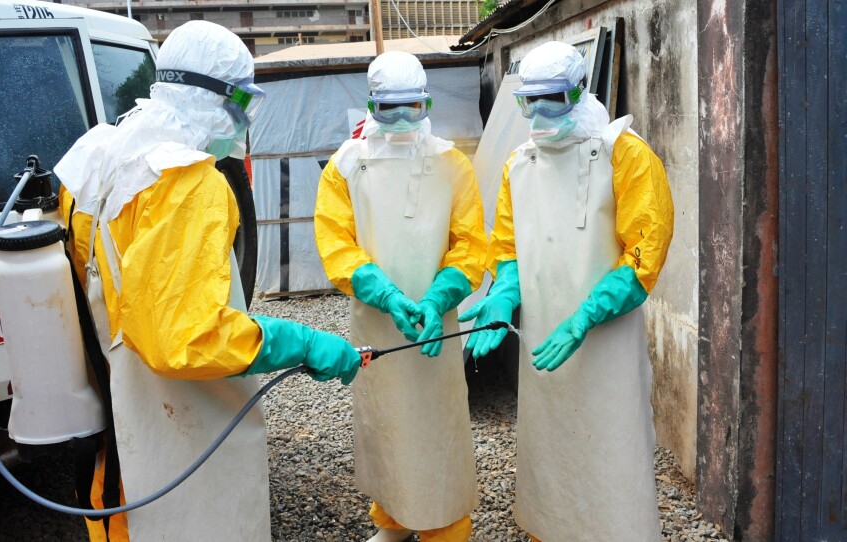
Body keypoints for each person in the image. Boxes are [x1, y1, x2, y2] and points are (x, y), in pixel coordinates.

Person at [54, 21, 361, 542]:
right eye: (242, 100)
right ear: (214, 96)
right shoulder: (187, 183)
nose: (243, 119)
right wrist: (300, 340)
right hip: (184, 417)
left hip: (120, 406)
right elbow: (186, 339)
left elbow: (101, 288)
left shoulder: (102, 154)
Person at [459, 41, 674, 541]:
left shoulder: (624, 153)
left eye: (549, 99)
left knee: (611, 446)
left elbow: (645, 249)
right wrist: (505, 290)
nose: (536, 113)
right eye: (527, 101)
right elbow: (508, 243)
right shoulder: (520, 163)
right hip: (543, 340)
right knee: (550, 446)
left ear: (578, 91)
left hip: (605, 341)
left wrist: (586, 315)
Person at [314, 51, 486, 542]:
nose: (404, 120)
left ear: (427, 102)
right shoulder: (346, 166)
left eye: (414, 107)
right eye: (391, 108)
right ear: (371, 104)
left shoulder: (451, 163)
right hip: (376, 320)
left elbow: (470, 244)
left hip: (438, 323)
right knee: (383, 422)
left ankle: (445, 524)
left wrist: (436, 299)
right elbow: (337, 245)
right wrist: (385, 294)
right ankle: (392, 518)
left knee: (438, 422)